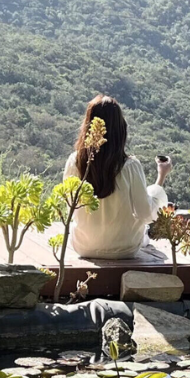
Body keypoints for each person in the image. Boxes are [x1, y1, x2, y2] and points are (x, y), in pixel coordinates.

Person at [63, 95, 171, 259]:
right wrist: (161, 178)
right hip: (125, 249)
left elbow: (69, 205)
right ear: (120, 129)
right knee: (152, 192)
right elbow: (146, 214)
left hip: (84, 246)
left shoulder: (74, 162)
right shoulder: (130, 166)